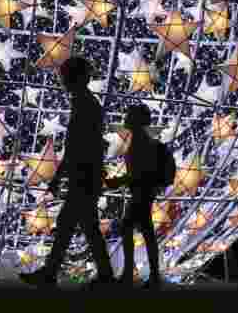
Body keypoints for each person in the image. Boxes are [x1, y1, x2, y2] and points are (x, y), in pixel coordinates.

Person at [20, 57, 115, 290]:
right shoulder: (86, 103)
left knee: (74, 226)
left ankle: (54, 274)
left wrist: (58, 177)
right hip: (86, 175)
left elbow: (77, 147)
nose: (63, 81)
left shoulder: (85, 105)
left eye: (66, 76)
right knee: (78, 226)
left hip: (84, 176)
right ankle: (100, 276)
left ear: (76, 77)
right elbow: (81, 146)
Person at [103, 103, 162, 290]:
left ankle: (135, 275)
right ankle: (148, 275)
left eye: (129, 115)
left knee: (132, 229)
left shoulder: (140, 143)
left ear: (136, 120)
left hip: (141, 193)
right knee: (141, 231)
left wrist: (118, 181)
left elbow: (139, 173)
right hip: (143, 192)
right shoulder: (139, 140)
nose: (125, 119)